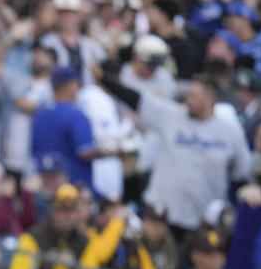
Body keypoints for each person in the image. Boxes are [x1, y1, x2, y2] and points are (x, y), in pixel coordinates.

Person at [100, 67, 251, 234]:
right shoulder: (172, 116)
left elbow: (241, 174)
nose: (187, 100)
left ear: (210, 100)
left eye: (194, 96)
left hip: (202, 222)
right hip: (161, 217)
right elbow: (137, 100)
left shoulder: (231, 132)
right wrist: (105, 79)